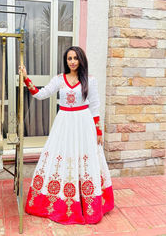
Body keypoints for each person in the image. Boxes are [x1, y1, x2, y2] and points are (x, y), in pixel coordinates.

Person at [19, 46, 114, 225]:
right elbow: (41, 94)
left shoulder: (89, 80)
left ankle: (87, 205)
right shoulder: (59, 79)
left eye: (75, 58)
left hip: (84, 123)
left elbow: (94, 105)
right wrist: (26, 78)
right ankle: (59, 203)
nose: (72, 62)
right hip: (63, 123)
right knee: (63, 157)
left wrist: (98, 131)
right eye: (69, 58)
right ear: (66, 61)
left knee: (84, 158)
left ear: (81, 60)